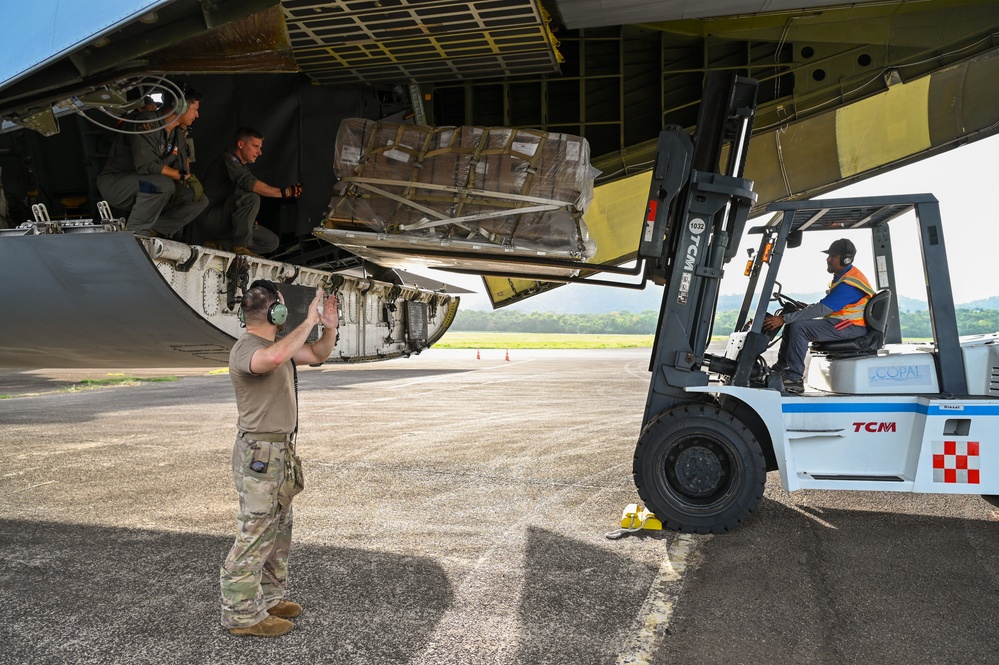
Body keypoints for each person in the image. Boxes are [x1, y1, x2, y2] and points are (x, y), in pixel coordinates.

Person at [220, 279, 339, 638]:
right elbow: (270, 360)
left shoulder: (275, 344)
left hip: (279, 452)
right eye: (284, 307)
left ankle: (269, 598)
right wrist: (308, 321)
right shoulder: (247, 348)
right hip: (260, 454)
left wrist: (328, 328)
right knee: (255, 533)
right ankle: (242, 616)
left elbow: (317, 354)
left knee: (278, 529)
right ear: (277, 312)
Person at [763, 238, 875, 394]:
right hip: (843, 323)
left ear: (845, 259)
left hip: (852, 327)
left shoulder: (850, 283)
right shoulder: (843, 277)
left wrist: (783, 318)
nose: (828, 259)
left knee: (799, 327)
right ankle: (779, 370)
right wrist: (805, 310)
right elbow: (831, 307)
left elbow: (823, 309)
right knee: (794, 323)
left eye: (832, 256)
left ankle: (794, 379)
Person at [96, 87, 209, 237]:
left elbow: (181, 168)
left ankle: (154, 229)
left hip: (147, 185)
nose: (197, 115)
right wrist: (180, 175)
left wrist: (187, 181)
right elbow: (146, 165)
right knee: (163, 184)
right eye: (195, 109)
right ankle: (134, 235)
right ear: (180, 106)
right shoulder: (145, 123)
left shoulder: (177, 136)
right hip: (116, 183)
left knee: (198, 200)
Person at [193, 127, 302, 257]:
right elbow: (248, 183)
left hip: (226, 221)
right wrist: (283, 193)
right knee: (252, 197)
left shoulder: (242, 168)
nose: (259, 152)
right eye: (255, 146)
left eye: (260, 147)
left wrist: (248, 218)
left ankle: (218, 244)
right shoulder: (227, 159)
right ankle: (240, 247)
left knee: (271, 242)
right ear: (241, 144)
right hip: (211, 217)